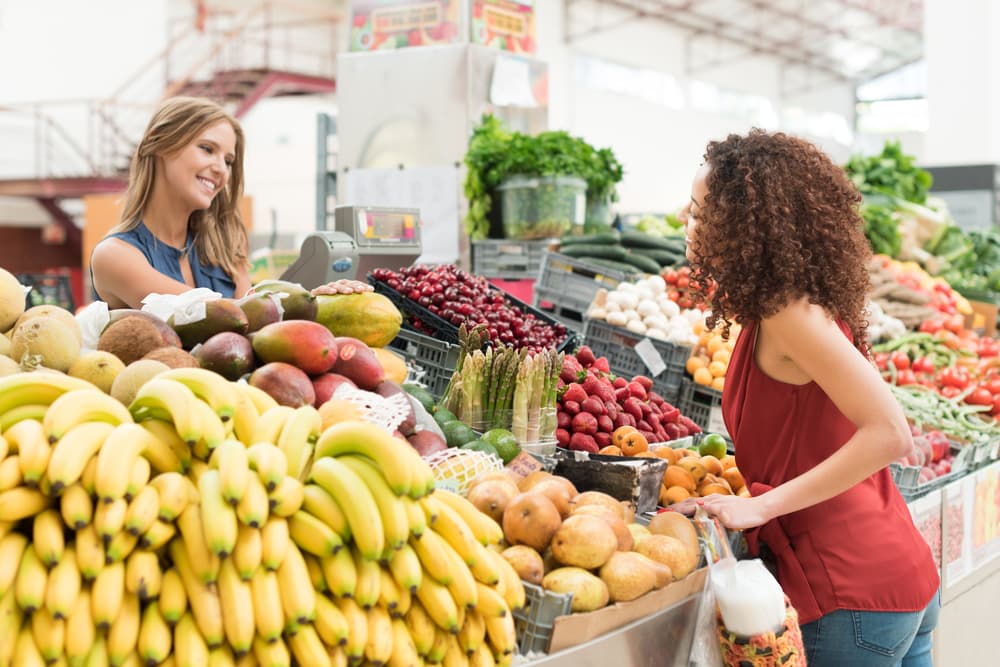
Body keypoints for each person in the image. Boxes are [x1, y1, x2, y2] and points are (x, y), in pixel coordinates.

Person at [676, 129, 939, 666]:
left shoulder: (787, 312)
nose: (686, 219)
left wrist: (760, 506)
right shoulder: (784, 303)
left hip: (847, 596)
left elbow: (891, 433)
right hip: (887, 580)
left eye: (699, 213)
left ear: (745, 226)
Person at [91, 96, 371, 307]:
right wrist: (304, 301)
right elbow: (222, 314)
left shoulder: (223, 249)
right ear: (159, 144)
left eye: (228, 160)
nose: (220, 169)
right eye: (207, 149)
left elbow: (261, 326)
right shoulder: (115, 256)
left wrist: (322, 300)